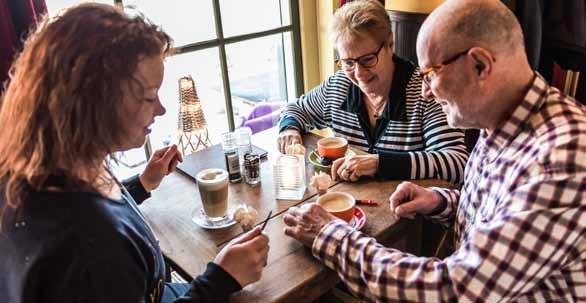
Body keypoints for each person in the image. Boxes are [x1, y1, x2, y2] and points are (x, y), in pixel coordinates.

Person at [283, 0, 585, 301]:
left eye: (431, 73)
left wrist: (330, 236)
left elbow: (454, 291)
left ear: (480, 64)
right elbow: (498, 213)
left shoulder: (562, 159)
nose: (425, 90)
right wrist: (441, 201)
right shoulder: (501, 125)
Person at [0, 4, 269, 303]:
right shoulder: (87, 251)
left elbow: (103, 212)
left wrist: (140, 184)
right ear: (95, 102)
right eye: (148, 97)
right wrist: (220, 280)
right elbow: (100, 252)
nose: (161, 109)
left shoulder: (46, 165)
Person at [277, 0, 468, 184]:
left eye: (368, 59)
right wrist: (289, 129)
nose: (358, 73)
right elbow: (296, 109)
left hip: (408, 212)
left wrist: (380, 163)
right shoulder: (339, 87)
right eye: (348, 63)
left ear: (390, 45)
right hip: (350, 206)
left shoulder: (426, 92)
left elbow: (456, 163)